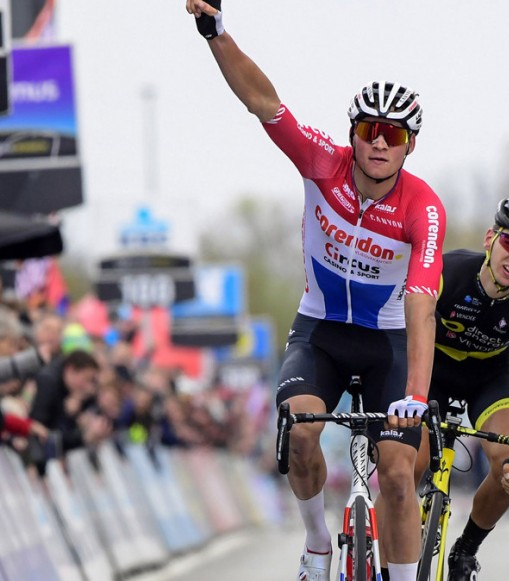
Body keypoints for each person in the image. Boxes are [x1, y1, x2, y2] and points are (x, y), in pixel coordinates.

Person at [185, 2, 447, 580]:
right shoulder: (321, 162)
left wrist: (416, 393)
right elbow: (263, 102)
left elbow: (422, 301)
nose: (379, 143)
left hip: (387, 342)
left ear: (409, 145)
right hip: (321, 331)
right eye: (368, 130)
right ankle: (316, 541)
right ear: (353, 134)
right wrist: (216, 33)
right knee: (300, 432)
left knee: (398, 474)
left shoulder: (423, 207)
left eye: (393, 134)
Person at [420, 193, 509, 580]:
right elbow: (403, 339)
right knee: (408, 462)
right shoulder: (448, 270)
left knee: (507, 464)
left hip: (492, 374)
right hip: (433, 368)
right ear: (490, 239)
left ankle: (466, 549)